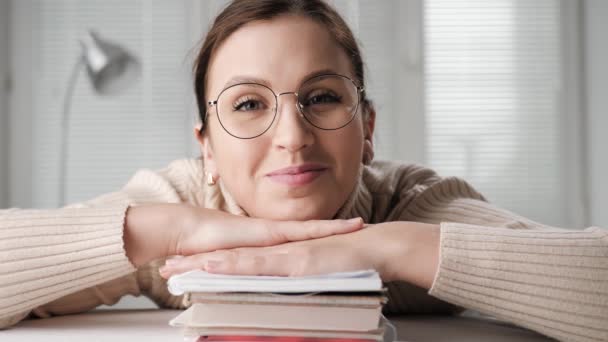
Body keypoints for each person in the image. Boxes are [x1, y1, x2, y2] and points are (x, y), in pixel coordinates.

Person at [0, 0, 606, 340]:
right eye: (247, 104)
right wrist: (170, 234)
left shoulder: (411, 200)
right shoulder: (180, 199)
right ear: (206, 148)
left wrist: (386, 248)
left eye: (321, 97)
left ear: (367, 129)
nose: (292, 138)